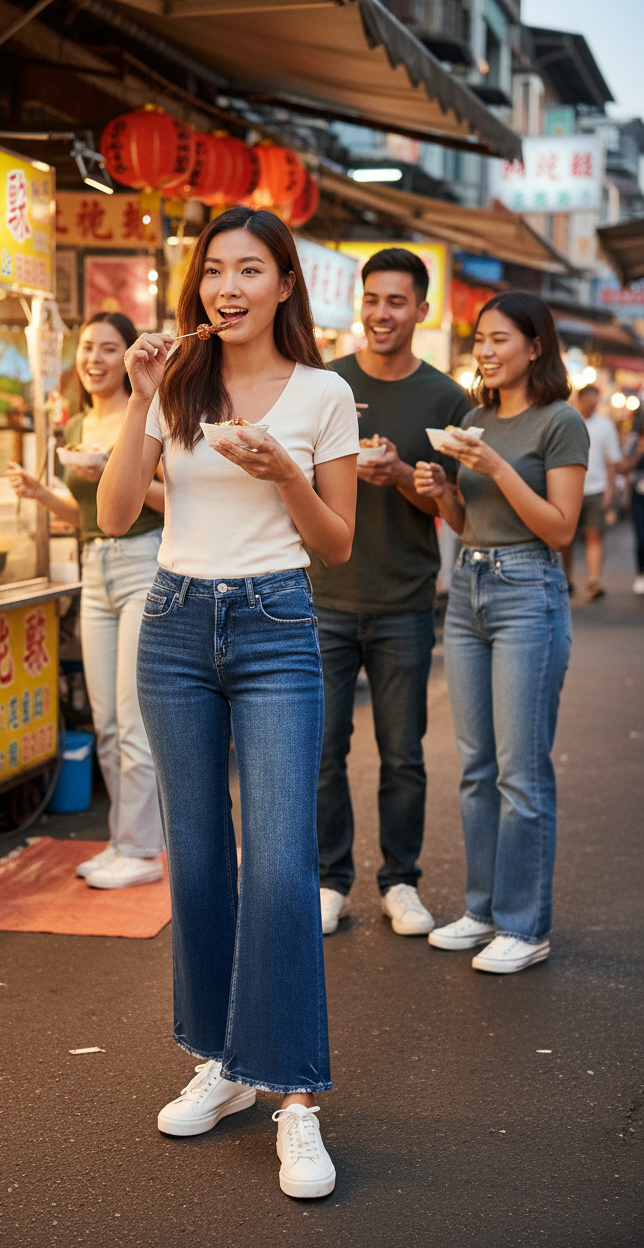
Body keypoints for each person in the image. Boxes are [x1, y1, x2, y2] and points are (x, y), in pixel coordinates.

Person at [97, 207, 358, 1199]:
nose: (229, 287)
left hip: (276, 629)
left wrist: (282, 467)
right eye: (214, 271)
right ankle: (220, 1060)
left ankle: (294, 1095)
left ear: (285, 284)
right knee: (198, 857)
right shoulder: (178, 380)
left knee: (283, 867)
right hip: (171, 627)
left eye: (251, 269)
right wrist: (139, 400)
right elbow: (118, 513)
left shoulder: (325, 393)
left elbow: (334, 543)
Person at [413, 291, 587, 974]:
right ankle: (482, 911)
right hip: (470, 588)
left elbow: (560, 528)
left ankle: (525, 925)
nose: (484, 351)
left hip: (528, 591)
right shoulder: (477, 416)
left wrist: (496, 469)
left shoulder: (560, 421)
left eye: (499, 340)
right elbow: (468, 521)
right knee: (475, 768)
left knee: (520, 772)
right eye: (479, 339)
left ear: (534, 346)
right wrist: (442, 490)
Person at [308, 247, 469, 938]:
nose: (381, 313)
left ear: (421, 312)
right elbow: (296, 484)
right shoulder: (324, 385)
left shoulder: (445, 397)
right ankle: (328, 880)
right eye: (372, 299)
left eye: (396, 301)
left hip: (405, 599)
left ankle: (400, 881)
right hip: (322, 597)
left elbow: (460, 510)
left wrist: (403, 474)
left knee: (404, 752)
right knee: (322, 750)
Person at [7, 313, 165, 889]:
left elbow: (175, 500)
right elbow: (86, 516)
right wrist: (40, 492)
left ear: (130, 356)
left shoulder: (147, 414)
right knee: (104, 720)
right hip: (93, 569)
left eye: (109, 348)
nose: (95, 358)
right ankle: (123, 841)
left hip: (144, 562)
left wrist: (113, 471)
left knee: (133, 721)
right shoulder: (74, 422)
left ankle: (144, 850)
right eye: (87, 348)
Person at [561, 384, 620, 600]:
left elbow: (612, 460)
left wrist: (610, 488)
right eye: (589, 401)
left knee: (595, 533)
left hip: (596, 487)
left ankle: (594, 581)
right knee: (565, 539)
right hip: (568, 489)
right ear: (580, 399)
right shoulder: (566, 421)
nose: (592, 405)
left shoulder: (605, 425)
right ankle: (566, 578)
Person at [618, 411, 644, 595]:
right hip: (638, 494)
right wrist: (639, 453)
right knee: (641, 535)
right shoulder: (634, 440)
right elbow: (624, 467)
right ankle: (641, 573)